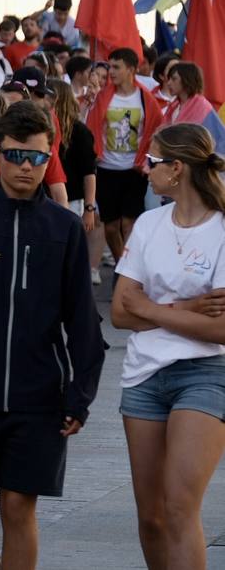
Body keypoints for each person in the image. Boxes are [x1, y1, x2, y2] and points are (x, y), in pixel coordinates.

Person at [0, 103, 105, 570]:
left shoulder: (64, 228)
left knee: (18, 507)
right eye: (16, 155)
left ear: (49, 156)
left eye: (37, 158)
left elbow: (82, 318)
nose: (25, 167)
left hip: (40, 398)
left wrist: (81, 395)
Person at [110, 123, 225, 570]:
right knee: (152, 518)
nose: (145, 168)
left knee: (179, 508)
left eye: (153, 162)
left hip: (206, 374)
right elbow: (120, 313)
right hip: (143, 377)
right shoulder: (148, 224)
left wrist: (153, 310)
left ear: (177, 169)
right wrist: (192, 307)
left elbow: (220, 332)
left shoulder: (220, 230)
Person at [89, 47, 165, 263]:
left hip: (134, 170)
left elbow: (157, 130)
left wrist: (146, 160)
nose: (111, 71)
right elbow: (91, 127)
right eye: (110, 66)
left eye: (116, 67)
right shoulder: (104, 97)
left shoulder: (145, 98)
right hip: (106, 168)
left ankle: (129, 269)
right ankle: (122, 264)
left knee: (129, 223)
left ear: (130, 69)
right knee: (112, 227)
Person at [51, 80, 102, 284]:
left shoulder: (80, 132)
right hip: (48, 197)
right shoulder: (44, 128)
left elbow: (89, 173)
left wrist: (89, 208)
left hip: (72, 201)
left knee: (67, 252)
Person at [162, 61, 214, 127]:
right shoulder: (173, 106)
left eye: (174, 79)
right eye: (169, 79)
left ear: (186, 80)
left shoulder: (202, 106)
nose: (168, 83)